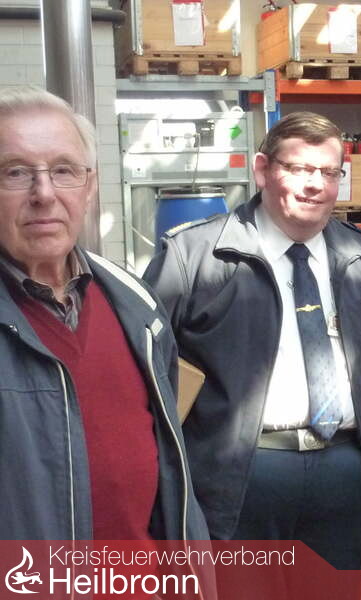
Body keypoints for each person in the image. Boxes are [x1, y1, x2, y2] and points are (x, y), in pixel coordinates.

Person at [143, 112, 361, 583]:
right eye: (299, 169)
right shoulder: (195, 256)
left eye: (329, 172)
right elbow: (147, 372)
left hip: (346, 477)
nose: (315, 185)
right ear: (262, 170)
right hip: (240, 480)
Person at [0, 85, 209, 543]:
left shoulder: (137, 304)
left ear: (90, 187)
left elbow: (171, 478)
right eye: (16, 172)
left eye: (63, 170)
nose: (44, 193)